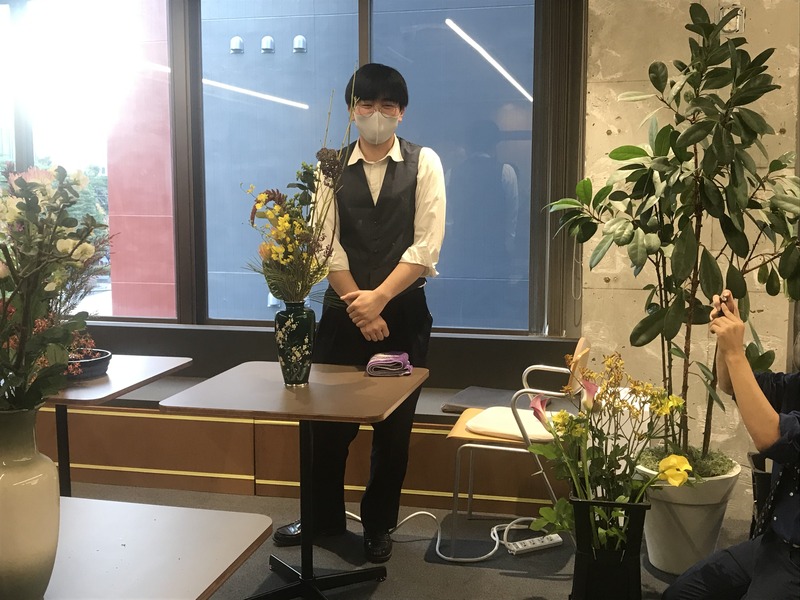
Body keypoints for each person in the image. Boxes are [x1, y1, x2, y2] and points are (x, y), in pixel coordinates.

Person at [271, 63, 446, 564]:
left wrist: (380, 300)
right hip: (343, 315)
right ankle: (322, 517)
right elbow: (325, 244)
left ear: (401, 111)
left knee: (394, 433)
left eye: (387, 105)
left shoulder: (424, 162)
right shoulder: (330, 166)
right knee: (325, 427)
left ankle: (378, 525)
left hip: (403, 314)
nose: (376, 113)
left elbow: (426, 245)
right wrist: (362, 309)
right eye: (366, 104)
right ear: (352, 111)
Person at [662, 288, 800, 599]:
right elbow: (730, 385)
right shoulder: (796, 386)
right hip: (773, 545)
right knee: (680, 594)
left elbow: (772, 437)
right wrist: (725, 341)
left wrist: (736, 352)